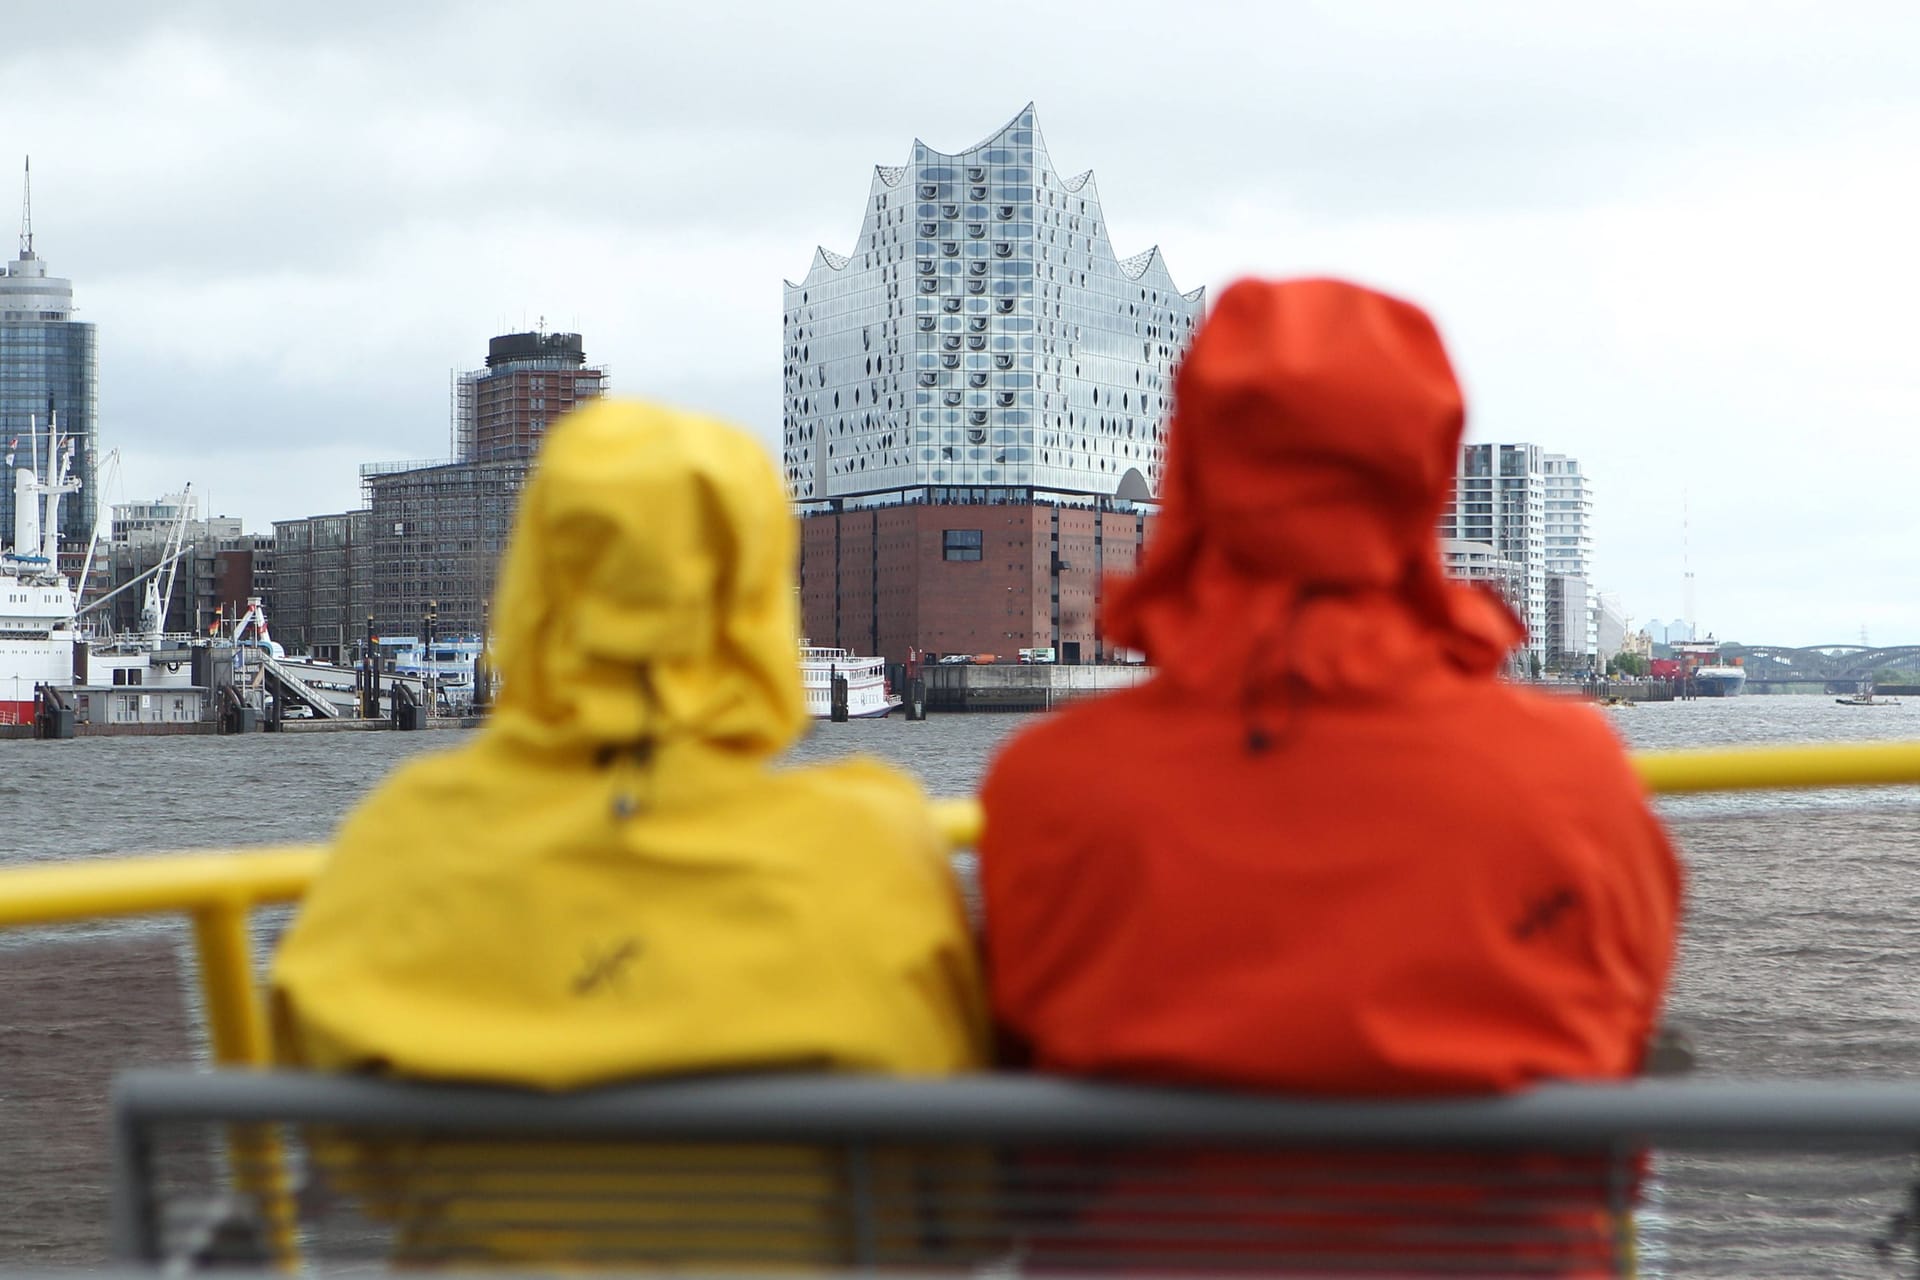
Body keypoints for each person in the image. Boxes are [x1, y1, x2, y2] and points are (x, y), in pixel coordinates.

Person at [978, 278, 1683, 1271]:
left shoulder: (1052, 784)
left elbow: (1016, 1093)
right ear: (1425, 470)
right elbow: (1615, 1060)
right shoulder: (1572, 774)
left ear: (1197, 466)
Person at [271, 401, 988, 1262]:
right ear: (758, 596)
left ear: (536, 580)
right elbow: (960, 1194)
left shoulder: (400, 844)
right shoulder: (875, 853)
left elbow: (354, 1162)